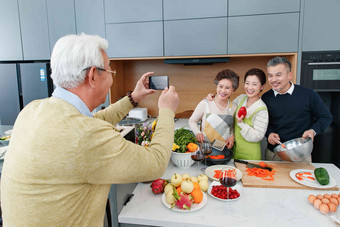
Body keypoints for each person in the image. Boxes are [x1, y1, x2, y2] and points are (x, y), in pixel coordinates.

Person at [0, 33, 179, 226]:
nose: (112, 77)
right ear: (93, 75)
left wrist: (133, 98)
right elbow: (156, 163)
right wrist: (167, 111)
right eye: (110, 71)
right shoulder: (85, 136)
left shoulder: (33, 110)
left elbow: (91, 121)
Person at [262, 56, 332, 161]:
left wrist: (313, 131)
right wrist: (269, 134)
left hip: (301, 154)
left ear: (289, 75)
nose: (273, 80)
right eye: (270, 75)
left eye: (278, 75)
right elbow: (264, 122)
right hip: (274, 153)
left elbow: (326, 117)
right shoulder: (266, 97)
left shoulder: (308, 94)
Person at [189, 69, 239, 149]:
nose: (223, 90)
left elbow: (232, 127)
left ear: (233, 90)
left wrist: (232, 136)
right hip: (205, 148)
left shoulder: (234, 107)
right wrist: (197, 133)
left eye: (227, 88)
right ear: (216, 86)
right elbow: (192, 120)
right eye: (220, 86)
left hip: (224, 149)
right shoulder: (205, 103)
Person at [233, 68, 269, 160]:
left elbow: (258, 136)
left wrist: (241, 124)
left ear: (262, 86)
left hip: (250, 155)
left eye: (254, 84)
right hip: (234, 151)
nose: (249, 87)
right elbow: (227, 109)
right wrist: (214, 98)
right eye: (247, 83)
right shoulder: (241, 98)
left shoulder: (262, 109)